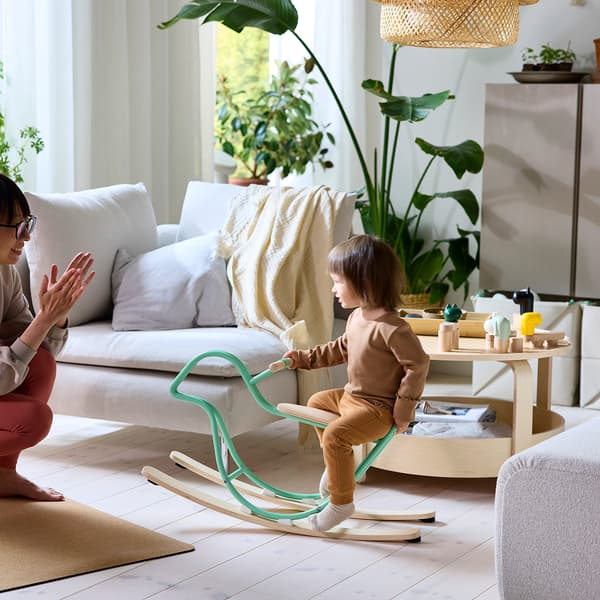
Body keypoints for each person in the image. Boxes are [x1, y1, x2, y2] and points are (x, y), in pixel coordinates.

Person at [283, 234, 430, 532]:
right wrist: (303, 358)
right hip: (352, 398)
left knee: (336, 435)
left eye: (338, 281)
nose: (333, 288)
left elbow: (418, 364)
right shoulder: (357, 318)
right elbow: (338, 349)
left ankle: (341, 503)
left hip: (379, 409)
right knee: (316, 403)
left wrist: (404, 410)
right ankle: (338, 469)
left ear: (365, 282)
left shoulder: (393, 328)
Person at [0, 174, 95, 501]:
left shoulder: (5, 274)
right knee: (33, 420)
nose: (25, 238)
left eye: (28, 225)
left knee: (40, 363)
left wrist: (54, 317)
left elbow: (30, 351)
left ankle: (3, 476)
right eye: (17, 227)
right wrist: (43, 319)